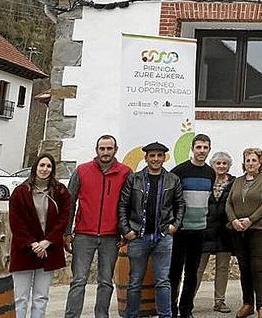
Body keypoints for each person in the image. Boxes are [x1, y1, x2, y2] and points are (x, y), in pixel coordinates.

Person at [63, 134, 132, 318]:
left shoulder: (125, 172)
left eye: (109, 148)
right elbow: (69, 203)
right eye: (102, 148)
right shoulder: (82, 171)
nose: (106, 152)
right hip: (84, 234)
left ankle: (102, 316)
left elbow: (130, 204)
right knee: (78, 280)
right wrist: (66, 232)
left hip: (111, 236)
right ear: (96, 150)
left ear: (115, 150)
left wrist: (125, 231)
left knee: (106, 282)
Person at [118, 142, 186, 318]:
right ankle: (131, 315)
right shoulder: (134, 179)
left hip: (163, 236)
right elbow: (123, 205)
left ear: (164, 158)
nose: (156, 159)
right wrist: (126, 230)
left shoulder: (173, 179)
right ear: (146, 158)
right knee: (134, 282)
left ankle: (165, 315)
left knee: (163, 281)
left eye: (159, 155)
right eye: (152, 155)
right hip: (138, 237)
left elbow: (180, 205)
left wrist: (174, 226)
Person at [9, 153, 71, 318]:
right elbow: (16, 222)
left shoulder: (60, 191)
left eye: (49, 166)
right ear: (35, 167)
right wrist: (33, 244)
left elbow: (64, 218)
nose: (45, 169)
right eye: (42, 165)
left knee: (41, 297)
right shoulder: (20, 192)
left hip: (48, 249)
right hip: (24, 250)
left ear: (53, 169)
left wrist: (47, 242)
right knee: (20, 298)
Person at [226, 148, 262, 318]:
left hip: (259, 228)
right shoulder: (238, 181)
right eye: (248, 160)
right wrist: (234, 221)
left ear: (260, 162)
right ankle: (248, 303)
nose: (251, 163)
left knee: (257, 267)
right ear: (244, 163)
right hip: (238, 229)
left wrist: (251, 219)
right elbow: (228, 203)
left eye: (254, 160)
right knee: (244, 267)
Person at [170, 133, 216, 318]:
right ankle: (171, 309)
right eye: (199, 147)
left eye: (205, 148)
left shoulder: (210, 173)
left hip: (199, 230)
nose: (202, 151)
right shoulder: (179, 171)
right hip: (180, 230)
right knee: (174, 272)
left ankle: (186, 309)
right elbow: (171, 200)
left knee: (192, 273)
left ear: (209, 150)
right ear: (192, 148)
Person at [195, 151, 236, 313]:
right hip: (205, 229)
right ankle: (187, 300)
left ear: (229, 166)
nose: (221, 166)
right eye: (218, 163)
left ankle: (220, 301)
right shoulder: (206, 181)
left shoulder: (233, 183)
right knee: (198, 267)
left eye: (224, 163)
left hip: (225, 231)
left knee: (223, 267)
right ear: (212, 165)